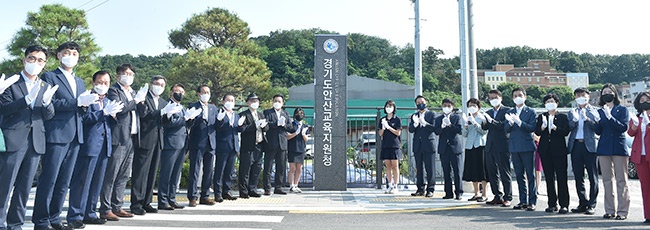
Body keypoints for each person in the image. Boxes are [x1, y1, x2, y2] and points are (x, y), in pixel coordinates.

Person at [34, 42, 95, 230]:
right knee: (49, 179)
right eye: (67, 53)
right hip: (57, 134)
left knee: (64, 181)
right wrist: (77, 102)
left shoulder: (79, 81)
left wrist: (85, 105)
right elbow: (50, 104)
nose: (71, 56)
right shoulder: (49, 76)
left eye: (75, 53)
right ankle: (41, 220)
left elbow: (80, 109)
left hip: (76, 135)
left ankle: (54, 217)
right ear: (59, 55)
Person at [0, 45, 55, 230]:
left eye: (40, 60)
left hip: (35, 142)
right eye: (32, 58)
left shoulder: (45, 86)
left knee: (24, 188)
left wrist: (47, 104)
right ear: (24, 60)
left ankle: (15, 224)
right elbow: (4, 109)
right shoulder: (11, 82)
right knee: (5, 186)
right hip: (13, 140)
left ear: (44, 64)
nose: (35, 63)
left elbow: (48, 115)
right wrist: (25, 100)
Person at [66, 71, 122, 228]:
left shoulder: (109, 100)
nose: (103, 85)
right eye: (100, 82)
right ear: (93, 82)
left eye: (106, 83)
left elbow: (111, 124)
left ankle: (90, 212)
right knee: (82, 181)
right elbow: (83, 119)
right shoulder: (87, 98)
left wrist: (114, 116)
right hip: (89, 145)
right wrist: (102, 113)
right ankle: (75, 214)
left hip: (105, 145)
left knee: (97, 181)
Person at [100, 64, 148, 220]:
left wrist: (141, 101)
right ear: (118, 75)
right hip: (119, 137)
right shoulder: (114, 90)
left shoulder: (133, 92)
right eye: (125, 73)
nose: (129, 76)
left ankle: (117, 206)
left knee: (124, 175)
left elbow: (142, 112)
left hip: (132, 137)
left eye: (131, 74)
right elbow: (120, 110)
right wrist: (135, 101)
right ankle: (106, 208)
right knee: (111, 174)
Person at [158, 83, 200, 210]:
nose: (180, 94)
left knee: (176, 173)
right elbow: (168, 124)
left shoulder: (182, 107)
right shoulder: (167, 105)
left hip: (182, 143)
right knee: (167, 173)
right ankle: (163, 199)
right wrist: (184, 119)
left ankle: (171, 198)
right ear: (171, 92)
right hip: (171, 143)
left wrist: (191, 119)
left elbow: (186, 124)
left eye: (182, 92)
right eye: (177, 91)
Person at [130, 75, 168, 215]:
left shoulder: (163, 102)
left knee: (152, 173)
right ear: (151, 84)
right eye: (157, 83)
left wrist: (168, 115)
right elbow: (144, 114)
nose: (159, 86)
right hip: (145, 139)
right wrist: (161, 112)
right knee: (141, 172)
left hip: (158, 140)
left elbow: (164, 121)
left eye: (162, 85)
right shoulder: (144, 97)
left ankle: (147, 201)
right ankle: (136, 204)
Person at [595, 83, 630, 220]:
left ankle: (622, 212)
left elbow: (623, 127)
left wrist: (610, 117)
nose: (607, 94)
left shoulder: (622, 110)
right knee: (606, 180)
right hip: (604, 147)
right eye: (604, 92)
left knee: (621, 180)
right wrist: (594, 121)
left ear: (615, 94)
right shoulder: (600, 111)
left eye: (609, 91)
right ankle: (609, 210)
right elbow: (598, 131)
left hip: (618, 147)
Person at [534, 93, 570, 214]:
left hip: (559, 151)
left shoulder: (562, 117)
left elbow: (565, 132)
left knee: (562, 178)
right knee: (549, 178)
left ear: (557, 103)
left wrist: (555, 128)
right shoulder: (541, 116)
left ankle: (564, 204)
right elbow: (537, 131)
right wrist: (543, 127)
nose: (550, 104)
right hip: (545, 150)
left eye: (552, 101)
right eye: (547, 102)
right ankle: (552, 203)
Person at [504, 87, 537, 211]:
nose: (518, 97)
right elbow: (505, 129)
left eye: (520, 95)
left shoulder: (530, 111)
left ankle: (532, 201)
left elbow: (532, 127)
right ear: (512, 98)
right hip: (514, 146)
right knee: (519, 175)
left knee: (530, 175)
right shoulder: (510, 112)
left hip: (527, 146)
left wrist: (519, 122)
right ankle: (523, 200)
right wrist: (511, 123)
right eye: (515, 96)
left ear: (525, 97)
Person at [567, 87, 599, 215]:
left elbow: (597, 128)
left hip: (590, 145)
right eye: (578, 95)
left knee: (593, 176)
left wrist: (587, 119)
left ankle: (592, 204)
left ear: (588, 96)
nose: (580, 96)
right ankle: (582, 202)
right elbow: (569, 127)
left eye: (583, 94)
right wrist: (574, 121)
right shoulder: (572, 111)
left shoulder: (595, 111)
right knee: (578, 176)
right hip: (576, 145)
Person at [186, 85, 218, 206]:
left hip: (211, 142)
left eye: (208, 92)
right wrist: (197, 117)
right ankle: (192, 196)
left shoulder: (213, 108)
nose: (206, 94)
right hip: (197, 142)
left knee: (209, 170)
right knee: (195, 170)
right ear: (198, 94)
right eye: (204, 92)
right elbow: (189, 122)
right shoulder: (193, 106)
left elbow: (216, 125)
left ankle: (205, 195)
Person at [482, 89, 513, 207]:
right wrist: (484, 122)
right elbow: (485, 128)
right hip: (490, 145)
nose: (493, 100)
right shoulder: (488, 112)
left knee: (504, 171)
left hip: (502, 144)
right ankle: (497, 195)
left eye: (495, 98)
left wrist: (492, 122)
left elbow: (503, 126)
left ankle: (507, 197)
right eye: (490, 98)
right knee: (492, 172)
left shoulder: (507, 111)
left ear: (501, 98)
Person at [237, 92, 268, 198]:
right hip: (248, 145)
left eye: (256, 101)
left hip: (259, 144)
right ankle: (244, 190)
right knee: (245, 169)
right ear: (247, 103)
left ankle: (253, 188)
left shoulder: (260, 114)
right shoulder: (243, 115)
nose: (255, 103)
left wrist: (264, 126)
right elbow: (242, 129)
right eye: (252, 101)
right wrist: (254, 125)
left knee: (256, 168)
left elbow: (266, 128)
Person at [263, 94, 295, 195]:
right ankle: (267, 188)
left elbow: (290, 127)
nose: (277, 103)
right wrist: (276, 124)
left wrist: (284, 125)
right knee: (268, 166)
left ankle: (278, 187)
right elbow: (266, 125)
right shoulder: (267, 112)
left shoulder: (285, 113)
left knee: (281, 167)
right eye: (275, 101)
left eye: (279, 101)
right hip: (271, 142)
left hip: (282, 143)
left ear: (282, 103)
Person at [434, 98, 464, 200]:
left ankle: (459, 192)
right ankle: (448, 193)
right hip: (444, 148)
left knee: (457, 171)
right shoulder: (438, 119)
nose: (446, 107)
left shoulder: (456, 117)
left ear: (452, 107)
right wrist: (442, 126)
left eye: (449, 106)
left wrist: (450, 125)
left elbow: (459, 130)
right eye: (444, 105)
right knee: (446, 171)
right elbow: (436, 132)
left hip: (455, 147)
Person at [408, 95, 437, 198]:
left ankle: (430, 189)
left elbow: (434, 128)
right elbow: (410, 129)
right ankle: (420, 188)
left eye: (422, 102)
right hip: (418, 145)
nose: (421, 104)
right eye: (418, 103)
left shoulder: (432, 114)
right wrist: (415, 124)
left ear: (426, 102)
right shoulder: (414, 116)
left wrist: (425, 123)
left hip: (428, 144)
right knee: (419, 168)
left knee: (430, 168)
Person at [627, 91, 650, 224]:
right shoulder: (636, 118)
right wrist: (635, 125)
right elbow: (630, 133)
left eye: (647, 99)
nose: (645, 102)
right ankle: (648, 215)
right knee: (645, 186)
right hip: (640, 156)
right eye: (642, 100)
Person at [214, 94, 240, 202]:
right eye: (228, 100)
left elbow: (238, 129)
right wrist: (219, 120)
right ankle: (217, 192)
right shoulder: (219, 113)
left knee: (229, 171)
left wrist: (241, 126)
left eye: (232, 100)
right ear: (223, 101)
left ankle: (226, 191)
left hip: (233, 145)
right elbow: (216, 127)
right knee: (220, 170)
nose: (230, 102)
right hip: (222, 145)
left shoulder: (236, 115)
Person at [461, 98, 488, 202]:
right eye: (470, 106)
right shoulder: (467, 117)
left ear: (478, 107)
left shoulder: (483, 117)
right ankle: (476, 193)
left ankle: (484, 193)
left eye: (474, 105)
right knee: (472, 169)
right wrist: (466, 126)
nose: (472, 108)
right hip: (470, 145)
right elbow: (464, 134)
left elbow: (484, 132)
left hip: (480, 145)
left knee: (482, 170)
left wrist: (475, 123)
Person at [378, 100, 402, 194]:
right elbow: (380, 133)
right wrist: (383, 128)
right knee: (387, 166)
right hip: (385, 144)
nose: (388, 108)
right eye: (387, 106)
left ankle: (396, 185)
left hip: (394, 145)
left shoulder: (397, 119)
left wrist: (389, 127)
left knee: (395, 166)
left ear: (393, 108)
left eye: (390, 106)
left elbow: (398, 133)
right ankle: (389, 185)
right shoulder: (382, 120)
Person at [287, 108, 310, 193]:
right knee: (292, 168)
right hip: (292, 148)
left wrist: (303, 134)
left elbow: (307, 139)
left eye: (301, 113)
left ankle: (296, 185)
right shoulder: (291, 125)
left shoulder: (305, 126)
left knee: (299, 168)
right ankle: (291, 185)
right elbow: (287, 137)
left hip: (301, 149)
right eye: (297, 113)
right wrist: (295, 133)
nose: (299, 115)